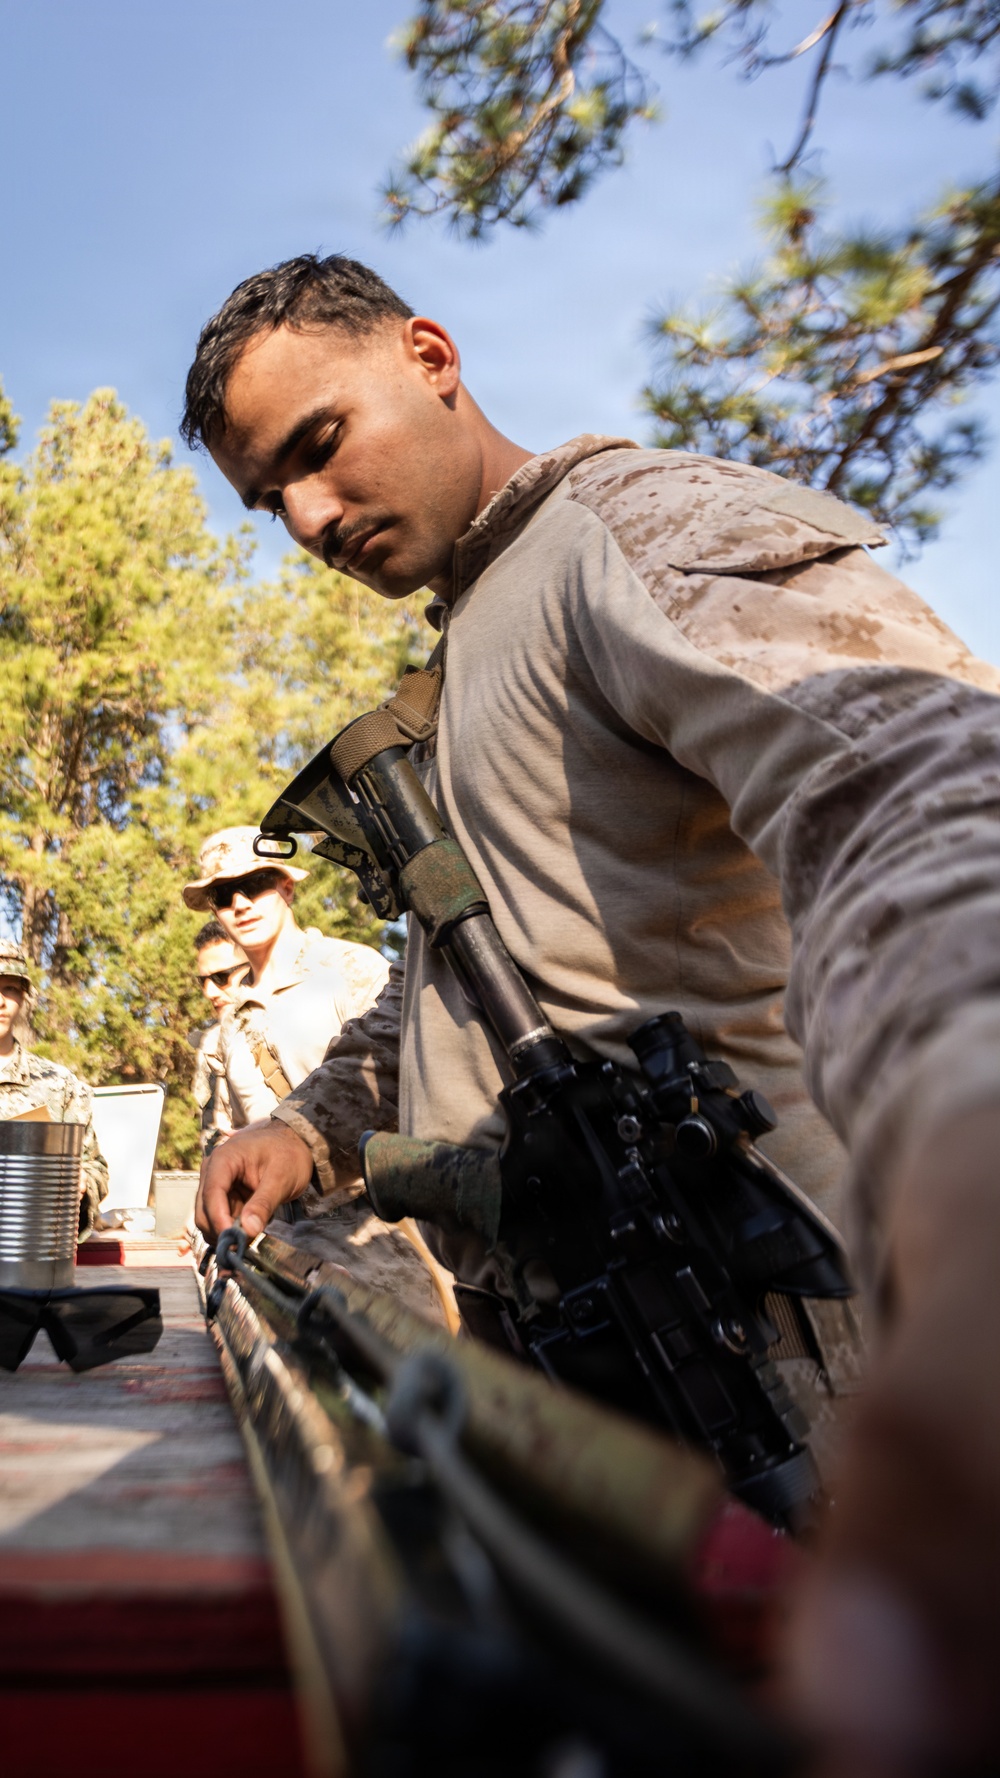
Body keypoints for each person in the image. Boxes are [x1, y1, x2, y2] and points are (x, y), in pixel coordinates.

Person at [184, 254, 1000, 1771]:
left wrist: (973, 1192)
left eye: (316, 446)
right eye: (266, 499)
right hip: (563, 1372)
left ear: (430, 354)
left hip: (766, 1373)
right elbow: (462, 986)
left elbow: (924, 804)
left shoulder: (630, 531)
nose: (303, 520)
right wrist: (306, 1129)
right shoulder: (475, 640)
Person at [183, 827, 390, 1145]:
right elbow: (233, 1130)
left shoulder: (352, 968)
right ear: (214, 911)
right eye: (224, 895)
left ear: (287, 887)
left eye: (253, 885)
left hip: (366, 1192)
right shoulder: (232, 1022)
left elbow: (402, 1091)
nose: (239, 904)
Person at [0, 940, 109, 1232]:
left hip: (32, 1255)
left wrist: (82, 1183)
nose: (1, 1001)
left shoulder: (59, 1087)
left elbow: (95, 1168)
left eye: (10, 988)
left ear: (23, 998)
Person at [190, 918, 248, 1155]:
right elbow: (212, 1129)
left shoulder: (301, 1021)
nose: (209, 992)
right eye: (202, 981)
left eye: (220, 977)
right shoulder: (211, 1045)